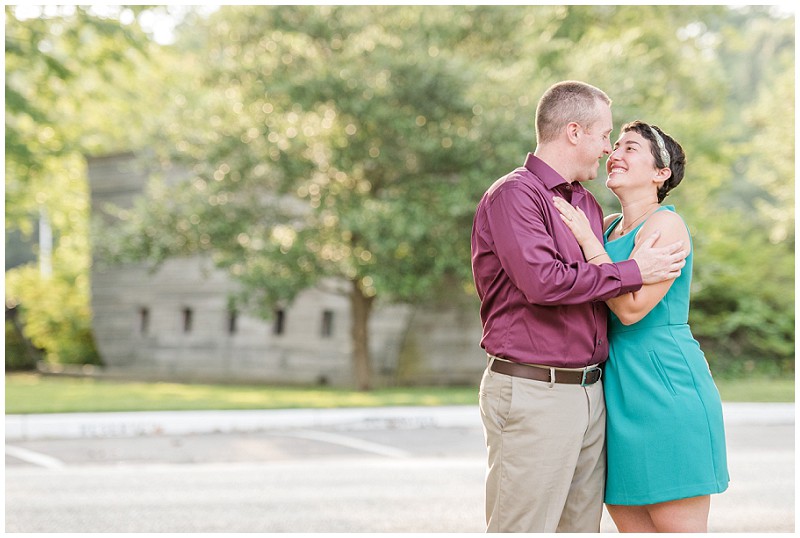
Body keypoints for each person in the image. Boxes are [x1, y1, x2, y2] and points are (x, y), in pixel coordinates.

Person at [470, 80, 688, 533]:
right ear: (574, 132)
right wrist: (634, 271)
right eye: (605, 135)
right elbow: (543, 283)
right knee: (523, 528)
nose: (608, 150)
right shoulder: (516, 195)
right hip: (536, 390)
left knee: (579, 530)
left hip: (590, 394)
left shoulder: (586, 204)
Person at [552, 120, 729, 532]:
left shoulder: (666, 225)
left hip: (665, 388)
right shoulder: (610, 226)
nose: (615, 154)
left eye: (630, 148)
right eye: (615, 146)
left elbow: (631, 310)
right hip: (617, 392)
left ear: (660, 173)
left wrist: (588, 243)